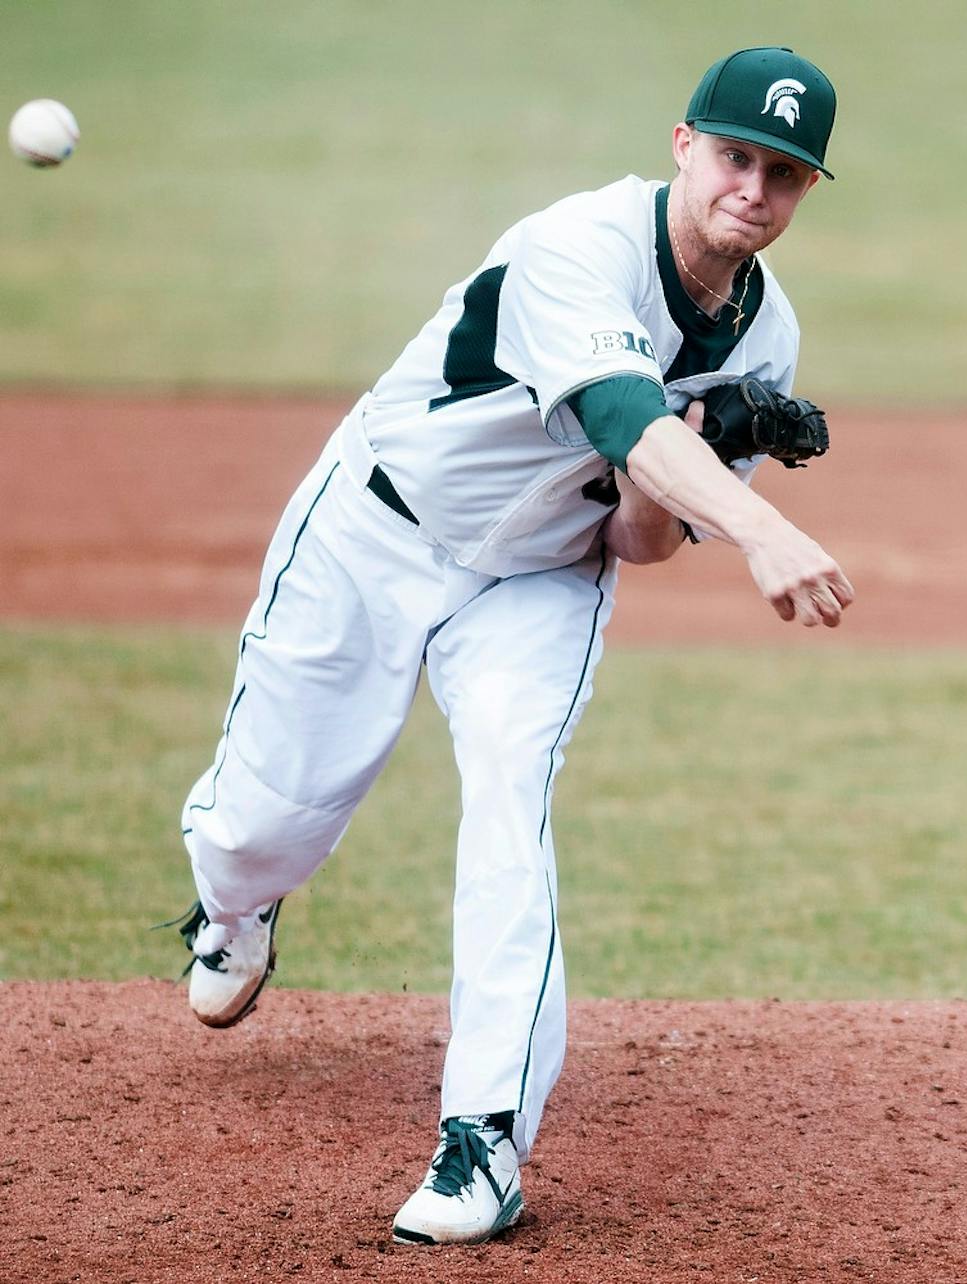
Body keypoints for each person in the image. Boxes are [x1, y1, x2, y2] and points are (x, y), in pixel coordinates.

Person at [176, 45, 853, 1247]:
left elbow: (640, 539)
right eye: (736, 156)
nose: (753, 188)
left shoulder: (765, 337)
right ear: (684, 146)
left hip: (540, 583)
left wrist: (710, 436)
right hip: (377, 529)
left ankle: (483, 1138)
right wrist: (755, 521)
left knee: (508, 802)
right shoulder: (576, 246)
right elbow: (618, 415)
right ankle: (235, 907)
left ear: (805, 190)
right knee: (263, 825)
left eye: (785, 173)